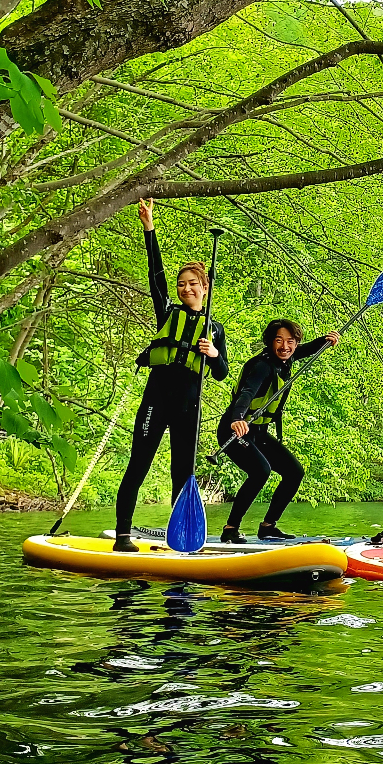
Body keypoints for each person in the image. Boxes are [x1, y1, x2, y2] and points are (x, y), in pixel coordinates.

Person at [113, 198, 229, 551]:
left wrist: (212, 355)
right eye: (182, 284)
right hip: (157, 400)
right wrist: (150, 229)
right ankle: (122, 536)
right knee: (139, 465)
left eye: (192, 283)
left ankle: (179, 539)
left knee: (182, 473)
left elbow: (222, 373)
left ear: (204, 288)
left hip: (188, 409)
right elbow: (155, 275)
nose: (185, 288)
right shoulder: (167, 313)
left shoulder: (215, 329)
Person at [215, 318, 340, 542]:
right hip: (234, 430)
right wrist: (237, 419)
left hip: (258, 432)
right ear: (270, 342)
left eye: (290, 341)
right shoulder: (262, 366)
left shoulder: (287, 357)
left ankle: (268, 526)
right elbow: (246, 393)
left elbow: (302, 350)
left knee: (294, 472)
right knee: (260, 471)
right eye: (279, 341)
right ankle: (230, 529)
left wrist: (325, 341)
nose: (285, 347)